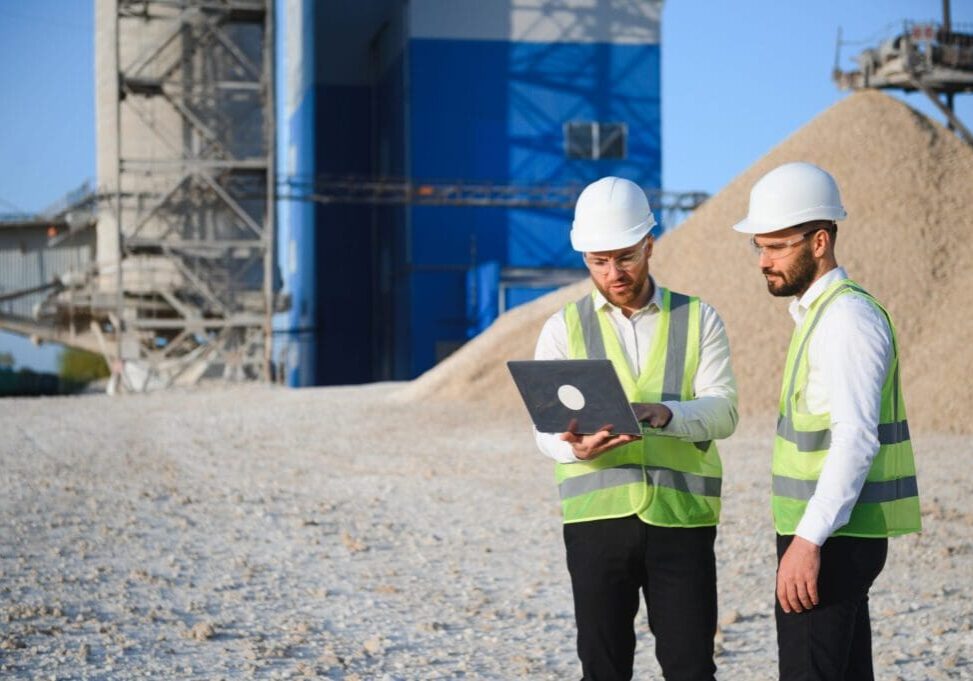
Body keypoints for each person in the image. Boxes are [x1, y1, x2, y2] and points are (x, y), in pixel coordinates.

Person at [533, 176, 738, 681]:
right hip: (595, 523)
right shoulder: (564, 326)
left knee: (691, 668)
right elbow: (543, 432)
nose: (613, 272)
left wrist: (668, 414)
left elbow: (725, 411)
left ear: (650, 244)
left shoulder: (699, 319)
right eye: (598, 261)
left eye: (625, 257)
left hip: (682, 520)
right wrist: (575, 450)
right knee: (603, 669)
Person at [732, 161, 921, 681]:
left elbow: (856, 440)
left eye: (777, 247)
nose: (764, 261)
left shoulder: (845, 319)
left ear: (820, 242)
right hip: (829, 533)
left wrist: (808, 541)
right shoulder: (819, 314)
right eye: (759, 247)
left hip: (832, 538)